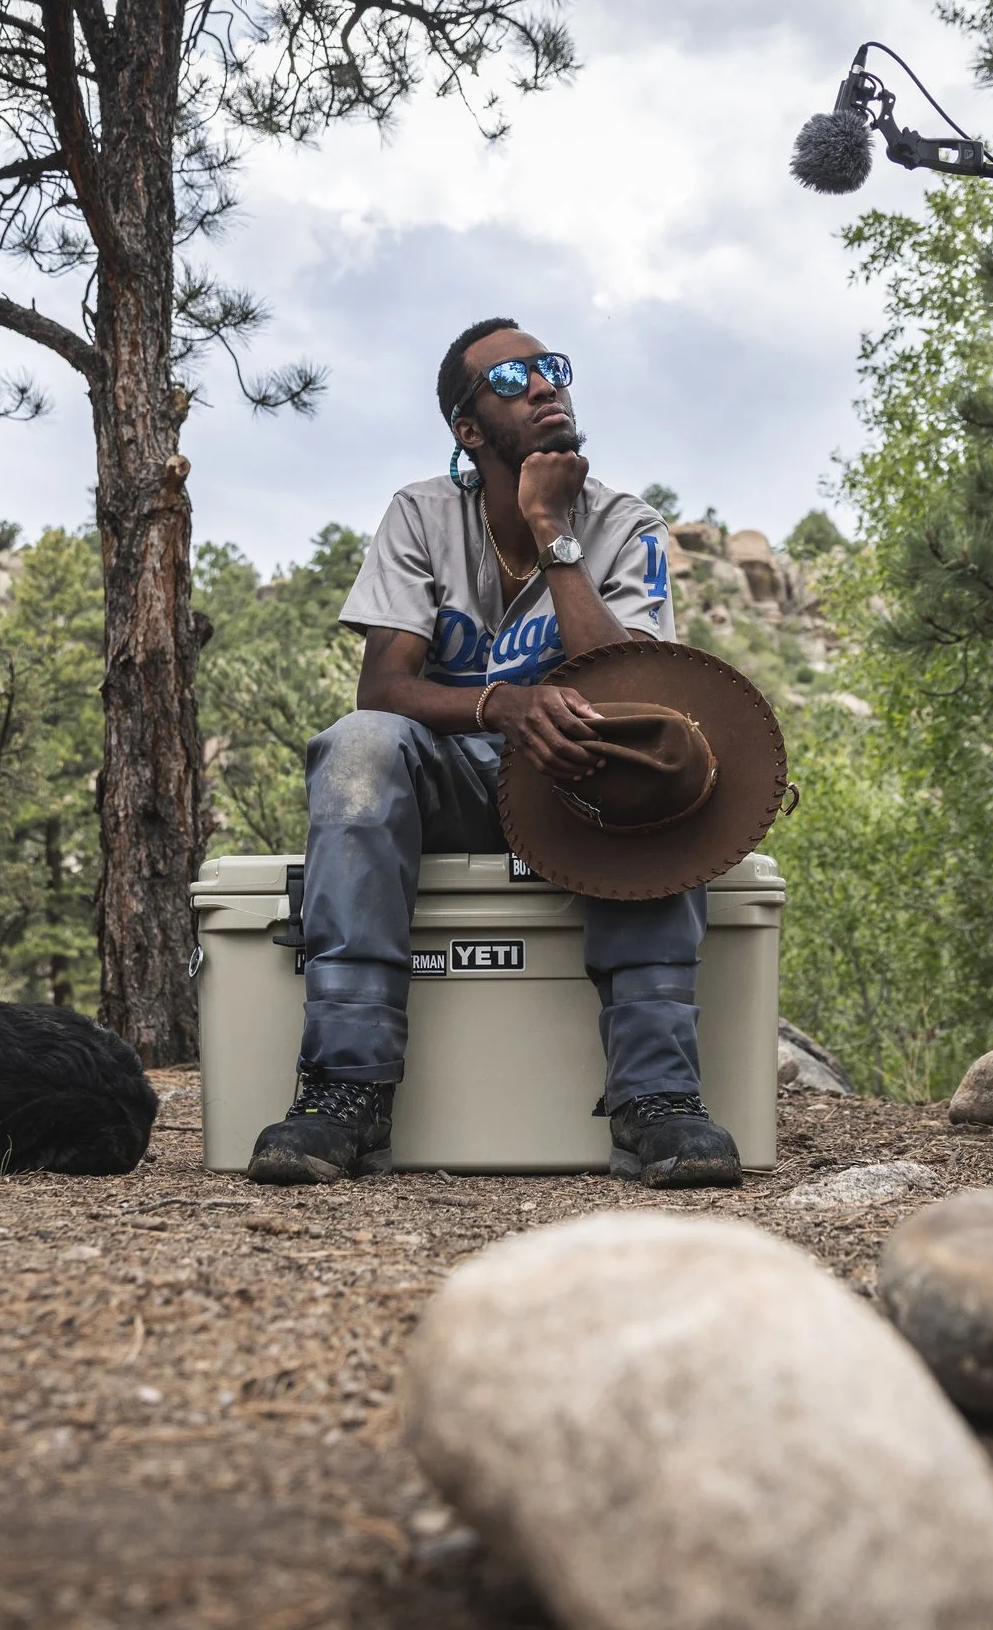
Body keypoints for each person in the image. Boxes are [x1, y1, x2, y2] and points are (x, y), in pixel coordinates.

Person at [245, 318, 742, 1190]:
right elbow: (384, 689)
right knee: (358, 746)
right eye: (513, 379)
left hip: (580, 790)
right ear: (468, 430)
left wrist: (551, 528)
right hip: (450, 786)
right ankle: (345, 1090)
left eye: (553, 368)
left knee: (654, 770)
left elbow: (635, 692)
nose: (546, 386)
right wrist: (498, 703)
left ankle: (657, 1097)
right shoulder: (421, 513)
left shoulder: (624, 523)